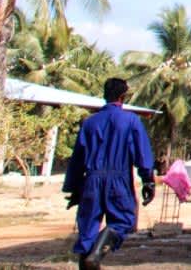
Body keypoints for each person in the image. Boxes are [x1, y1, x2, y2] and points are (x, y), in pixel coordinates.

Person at [63, 77, 155, 270]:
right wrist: (148, 180)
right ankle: (95, 256)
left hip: (91, 181)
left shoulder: (89, 123)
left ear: (104, 95)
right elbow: (141, 153)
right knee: (123, 220)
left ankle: (89, 258)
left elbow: (78, 158)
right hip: (118, 180)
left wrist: (74, 189)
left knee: (87, 231)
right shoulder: (131, 121)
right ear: (123, 96)